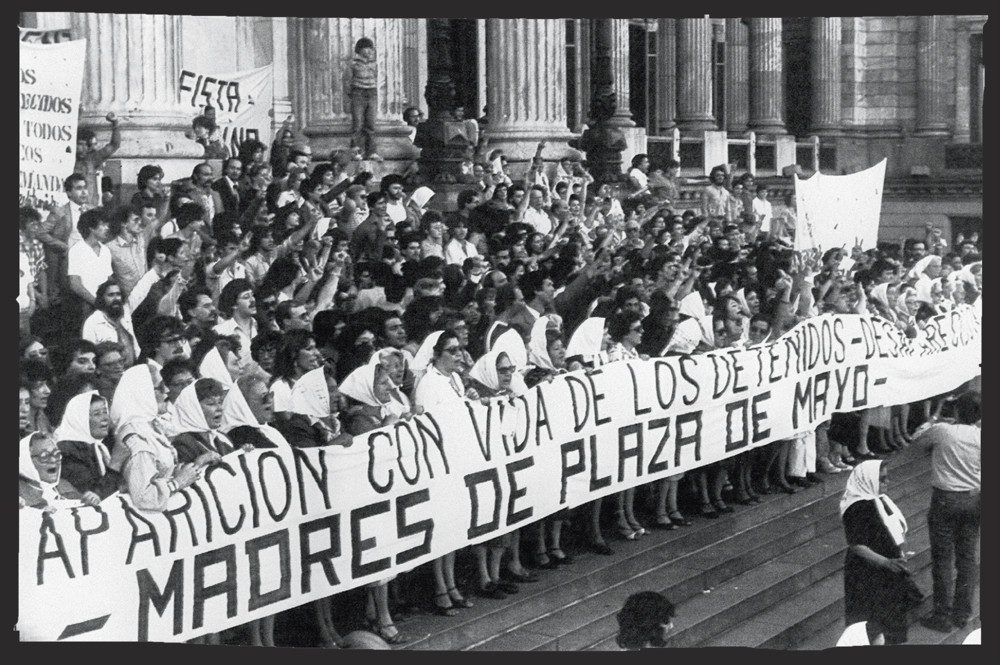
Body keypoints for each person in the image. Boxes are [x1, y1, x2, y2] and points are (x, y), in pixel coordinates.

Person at [916, 391, 981, 632]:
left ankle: (941, 614)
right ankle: (962, 613)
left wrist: (934, 417)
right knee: (967, 558)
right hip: (973, 499)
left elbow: (917, 439)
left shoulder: (943, 431)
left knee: (942, 558)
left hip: (945, 500)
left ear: (957, 411)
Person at [111, 364, 215, 511]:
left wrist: (197, 463)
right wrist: (177, 483)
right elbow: (143, 498)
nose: (166, 391)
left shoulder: (150, 428)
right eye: (159, 387)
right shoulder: (136, 439)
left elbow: (161, 471)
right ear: (143, 393)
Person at [840, 460, 922, 644]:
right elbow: (857, 545)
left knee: (890, 624)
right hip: (866, 574)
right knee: (871, 626)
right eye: (882, 479)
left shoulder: (880, 500)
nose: (887, 482)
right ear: (868, 480)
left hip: (887, 571)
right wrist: (885, 562)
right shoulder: (856, 508)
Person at [54, 390, 121, 501]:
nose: (105, 418)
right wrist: (116, 464)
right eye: (97, 414)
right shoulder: (67, 451)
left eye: (105, 412)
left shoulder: (102, 445)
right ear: (80, 420)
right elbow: (91, 493)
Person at [19, 432, 96, 510]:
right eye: (44, 456)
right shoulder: (20, 494)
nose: (53, 460)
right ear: (27, 461)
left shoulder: (64, 485)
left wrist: (90, 502)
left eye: (56, 454)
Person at [348, 37, 380, 161]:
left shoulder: (374, 64)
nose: (369, 51)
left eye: (371, 48)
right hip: (358, 92)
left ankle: (371, 152)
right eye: (366, 48)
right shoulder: (353, 64)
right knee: (358, 124)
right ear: (360, 50)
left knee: (371, 125)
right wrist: (351, 93)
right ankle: (356, 152)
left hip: (371, 93)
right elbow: (347, 80)